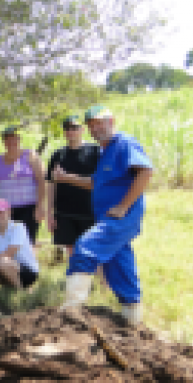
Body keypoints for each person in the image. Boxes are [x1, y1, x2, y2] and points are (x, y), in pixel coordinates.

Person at [52, 105, 153, 325]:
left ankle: (71, 310)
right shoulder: (104, 151)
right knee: (119, 264)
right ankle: (132, 318)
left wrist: (124, 206)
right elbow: (97, 183)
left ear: (111, 121)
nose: (95, 128)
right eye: (91, 125)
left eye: (100, 122)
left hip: (121, 216)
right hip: (107, 217)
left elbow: (146, 171)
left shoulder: (124, 143)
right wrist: (68, 178)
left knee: (85, 247)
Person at [46, 116, 101, 257]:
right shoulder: (57, 155)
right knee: (71, 250)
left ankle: (93, 278)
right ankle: (75, 277)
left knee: (91, 250)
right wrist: (49, 213)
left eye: (74, 128)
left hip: (89, 211)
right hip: (64, 212)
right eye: (67, 129)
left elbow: (101, 181)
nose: (71, 131)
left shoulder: (95, 151)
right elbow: (51, 185)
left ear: (82, 129)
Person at [0, 126, 46, 245]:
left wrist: (40, 206)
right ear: (4, 142)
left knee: (28, 242)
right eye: (7, 139)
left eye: (14, 138)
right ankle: (10, 264)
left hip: (29, 207)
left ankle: (27, 264)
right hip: (4, 209)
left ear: (19, 139)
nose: (11, 142)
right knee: (8, 242)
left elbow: (41, 181)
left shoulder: (31, 156)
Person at [0, 199, 40, 290]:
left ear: (9, 212)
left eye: (1, 212)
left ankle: (20, 291)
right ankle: (10, 287)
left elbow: (11, 251)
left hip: (28, 271)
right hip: (4, 265)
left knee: (3, 262)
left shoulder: (18, 227)